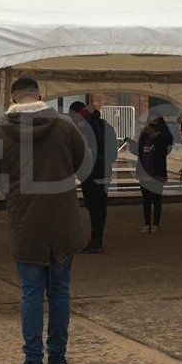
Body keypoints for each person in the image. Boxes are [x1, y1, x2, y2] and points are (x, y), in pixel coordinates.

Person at [0, 78, 87, 364]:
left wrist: (18, 192)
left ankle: (32, 363)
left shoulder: (0, 133)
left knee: (31, 293)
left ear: (13, 99)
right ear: (40, 96)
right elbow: (81, 161)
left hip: (25, 221)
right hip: (62, 219)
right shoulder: (65, 127)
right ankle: (57, 358)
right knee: (60, 291)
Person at [69, 101, 116, 254]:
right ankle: (97, 239)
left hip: (91, 172)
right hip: (104, 171)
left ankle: (96, 241)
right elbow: (113, 152)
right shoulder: (105, 125)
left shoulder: (83, 127)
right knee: (99, 206)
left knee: (94, 207)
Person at [134, 116, 173, 233]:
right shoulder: (143, 139)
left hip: (157, 173)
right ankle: (147, 223)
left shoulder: (161, 140)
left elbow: (167, 142)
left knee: (156, 200)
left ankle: (156, 223)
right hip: (144, 173)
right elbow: (139, 153)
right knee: (146, 200)